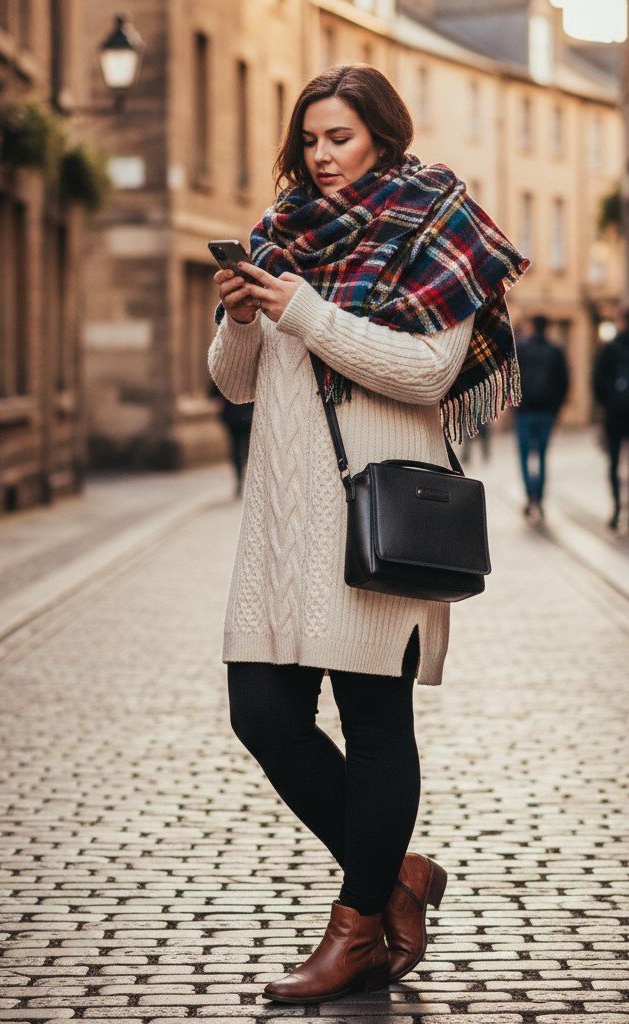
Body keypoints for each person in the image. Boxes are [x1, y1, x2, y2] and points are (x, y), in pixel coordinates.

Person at [207, 63, 529, 1006]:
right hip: (280, 520)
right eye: (308, 140)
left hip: (374, 510)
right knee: (261, 715)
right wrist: (237, 318)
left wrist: (301, 309)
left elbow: (426, 373)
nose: (321, 157)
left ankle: (353, 933)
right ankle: (397, 878)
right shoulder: (280, 236)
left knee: (374, 721)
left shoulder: (441, 232)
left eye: (338, 137)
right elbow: (234, 382)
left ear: (383, 133)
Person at [513, 314, 569, 519]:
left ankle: (530, 495)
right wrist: (556, 409)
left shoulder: (522, 348)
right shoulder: (555, 350)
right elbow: (564, 382)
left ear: (531, 326)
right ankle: (540, 497)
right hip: (546, 412)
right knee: (542, 456)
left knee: (525, 456)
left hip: (525, 411)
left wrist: (514, 405)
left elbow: (512, 377)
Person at [592, 306, 629, 530]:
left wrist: (606, 403)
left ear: (620, 321)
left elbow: (597, 381)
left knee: (614, 462)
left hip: (615, 414)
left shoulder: (610, 348)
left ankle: (616, 508)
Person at [208, 378, 254, 497]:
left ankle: (240, 479)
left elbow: (212, 394)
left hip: (232, 416)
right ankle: (250, 480)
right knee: (250, 449)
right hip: (249, 415)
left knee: (236, 448)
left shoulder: (226, 368)